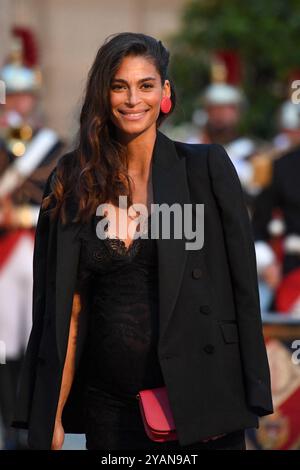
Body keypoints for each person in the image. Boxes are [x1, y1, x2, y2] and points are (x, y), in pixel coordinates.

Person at [12, 32, 273, 451]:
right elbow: (64, 308)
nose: (133, 99)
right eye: (120, 86)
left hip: (200, 399)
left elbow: (243, 289)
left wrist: (252, 393)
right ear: (104, 94)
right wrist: (52, 415)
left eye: (146, 85)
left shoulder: (205, 168)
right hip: (109, 407)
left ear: (165, 92)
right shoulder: (72, 178)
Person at [0, 26, 64, 449]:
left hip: (35, 248)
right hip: (3, 253)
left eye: (26, 98)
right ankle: (7, 420)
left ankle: (30, 425)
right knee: (3, 345)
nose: (21, 105)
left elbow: (59, 195)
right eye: (14, 97)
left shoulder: (53, 145)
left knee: (35, 340)